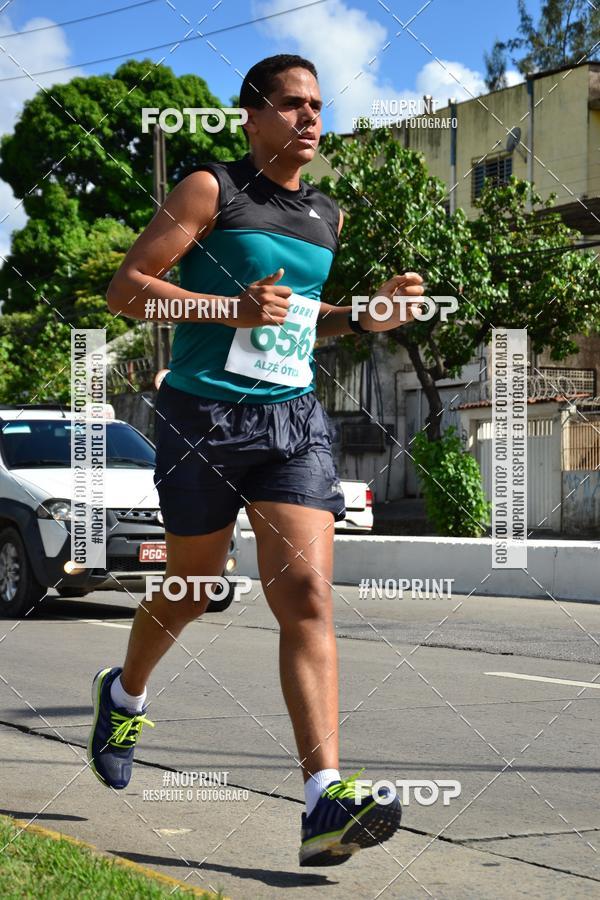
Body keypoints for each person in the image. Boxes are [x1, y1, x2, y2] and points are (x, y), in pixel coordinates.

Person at [88, 53, 424, 867]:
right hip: (201, 418)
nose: (311, 118)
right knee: (195, 590)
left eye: (318, 105)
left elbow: (301, 323)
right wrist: (226, 307)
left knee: (305, 591)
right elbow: (127, 289)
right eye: (293, 104)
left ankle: (322, 802)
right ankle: (123, 694)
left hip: (291, 424)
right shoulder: (211, 188)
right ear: (252, 115)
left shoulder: (325, 216)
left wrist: (364, 317)